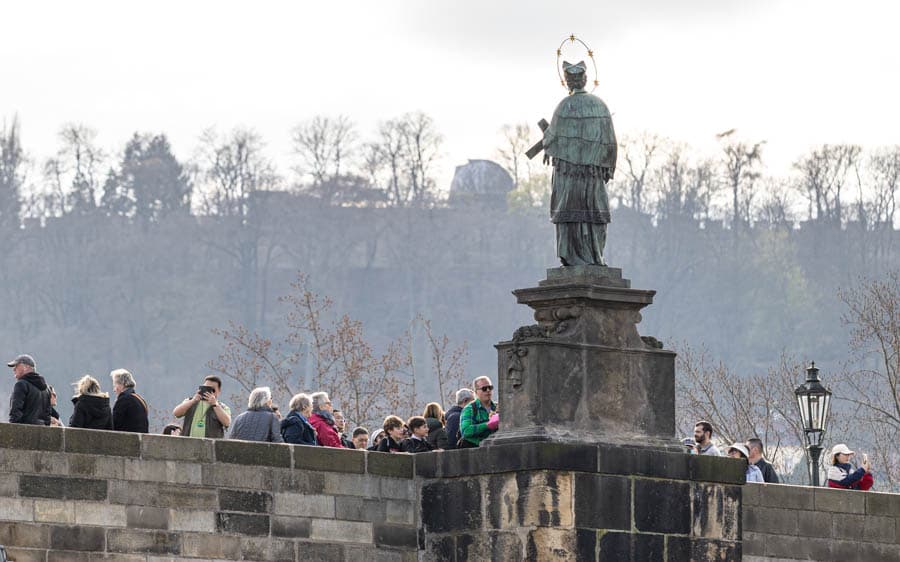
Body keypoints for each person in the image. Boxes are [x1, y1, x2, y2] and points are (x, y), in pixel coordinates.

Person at [541, 60, 617, 266]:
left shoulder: (564, 106)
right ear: (585, 79)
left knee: (570, 213)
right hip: (593, 177)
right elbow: (611, 144)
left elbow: (551, 140)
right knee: (594, 214)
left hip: (569, 177)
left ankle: (573, 256)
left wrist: (547, 139)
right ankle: (595, 256)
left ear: (567, 82)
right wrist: (606, 169)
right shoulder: (600, 106)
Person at [7, 354, 51, 425]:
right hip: (42, 432)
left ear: (26, 367)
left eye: (16, 366)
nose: (14, 369)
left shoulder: (21, 384)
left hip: (24, 432)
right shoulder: (46, 389)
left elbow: (15, 413)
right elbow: (48, 417)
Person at [459, 376, 498, 448]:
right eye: (484, 388)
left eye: (490, 387)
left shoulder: (498, 407)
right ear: (476, 392)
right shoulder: (469, 409)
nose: (488, 390)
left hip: (496, 448)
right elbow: (466, 431)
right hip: (476, 450)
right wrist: (488, 425)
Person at [109, 369, 149, 433]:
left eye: (115, 385)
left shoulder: (123, 400)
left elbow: (114, 425)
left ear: (121, 384)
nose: (114, 390)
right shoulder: (140, 399)